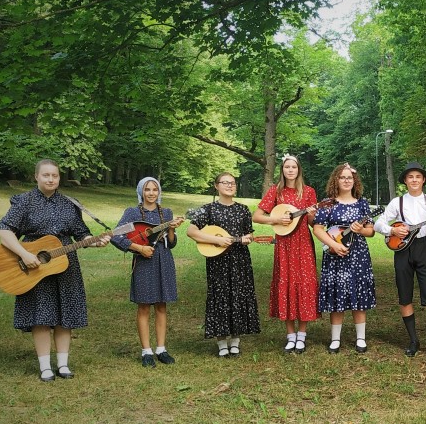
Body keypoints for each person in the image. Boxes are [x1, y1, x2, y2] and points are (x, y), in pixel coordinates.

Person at [0, 159, 110, 381]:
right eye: (46, 175)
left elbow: (82, 234)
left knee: (65, 313)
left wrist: (95, 241)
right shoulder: (24, 201)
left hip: (65, 264)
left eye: (55, 176)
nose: (50, 179)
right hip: (34, 266)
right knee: (41, 315)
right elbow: (4, 231)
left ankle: (63, 364)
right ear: (36, 176)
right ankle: (45, 366)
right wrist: (24, 254)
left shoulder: (70, 203)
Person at [375, 162, 426, 364]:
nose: (414, 180)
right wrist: (392, 230)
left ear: (423, 180)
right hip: (402, 251)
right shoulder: (397, 202)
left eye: (418, 176)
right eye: (410, 177)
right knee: (405, 296)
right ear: (405, 181)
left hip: (425, 249)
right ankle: (414, 341)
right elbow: (378, 223)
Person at [110, 177, 184, 367]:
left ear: (159, 192)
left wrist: (172, 229)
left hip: (163, 259)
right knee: (144, 306)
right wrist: (138, 248)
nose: (151, 193)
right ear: (141, 191)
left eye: (155, 189)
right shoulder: (132, 213)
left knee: (161, 305)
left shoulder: (166, 213)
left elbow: (171, 243)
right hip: (144, 261)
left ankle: (161, 349)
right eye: (147, 189)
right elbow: (115, 235)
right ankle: (146, 351)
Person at [186, 172, 261, 357]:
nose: (229, 186)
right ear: (216, 186)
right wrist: (216, 240)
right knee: (219, 297)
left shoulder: (243, 209)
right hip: (217, 261)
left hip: (239, 259)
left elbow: (249, 233)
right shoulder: (208, 210)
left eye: (232, 183)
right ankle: (221, 342)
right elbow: (191, 231)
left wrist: (247, 238)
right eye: (225, 182)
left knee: (239, 296)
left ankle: (235, 341)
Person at [252, 154, 319, 353]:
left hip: (303, 243)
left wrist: (313, 215)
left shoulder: (308, 192)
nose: (290, 170)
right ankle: (290, 335)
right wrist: (275, 220)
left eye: (294, 167)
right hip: (284, 244)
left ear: (299, 170)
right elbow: (257, 216)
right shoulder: (276, 191)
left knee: (305, 284)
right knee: (286, 283)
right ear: (282, 170)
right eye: (287, 167)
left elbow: (312, 223)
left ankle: (302, 335)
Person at [312, 163, 377, 354]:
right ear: (336, 180)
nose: (347, 180)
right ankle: (335, 339)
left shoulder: (362, 203)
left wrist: (361, 230)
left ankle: (361, 338)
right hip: (335, 254)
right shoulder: (328, 203)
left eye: (350, 177)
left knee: (359, 292)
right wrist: (333, 245)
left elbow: (371, 231)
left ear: (354, 181)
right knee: (337, 294)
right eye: (342, 177)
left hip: (358, 254)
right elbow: (317, 228)